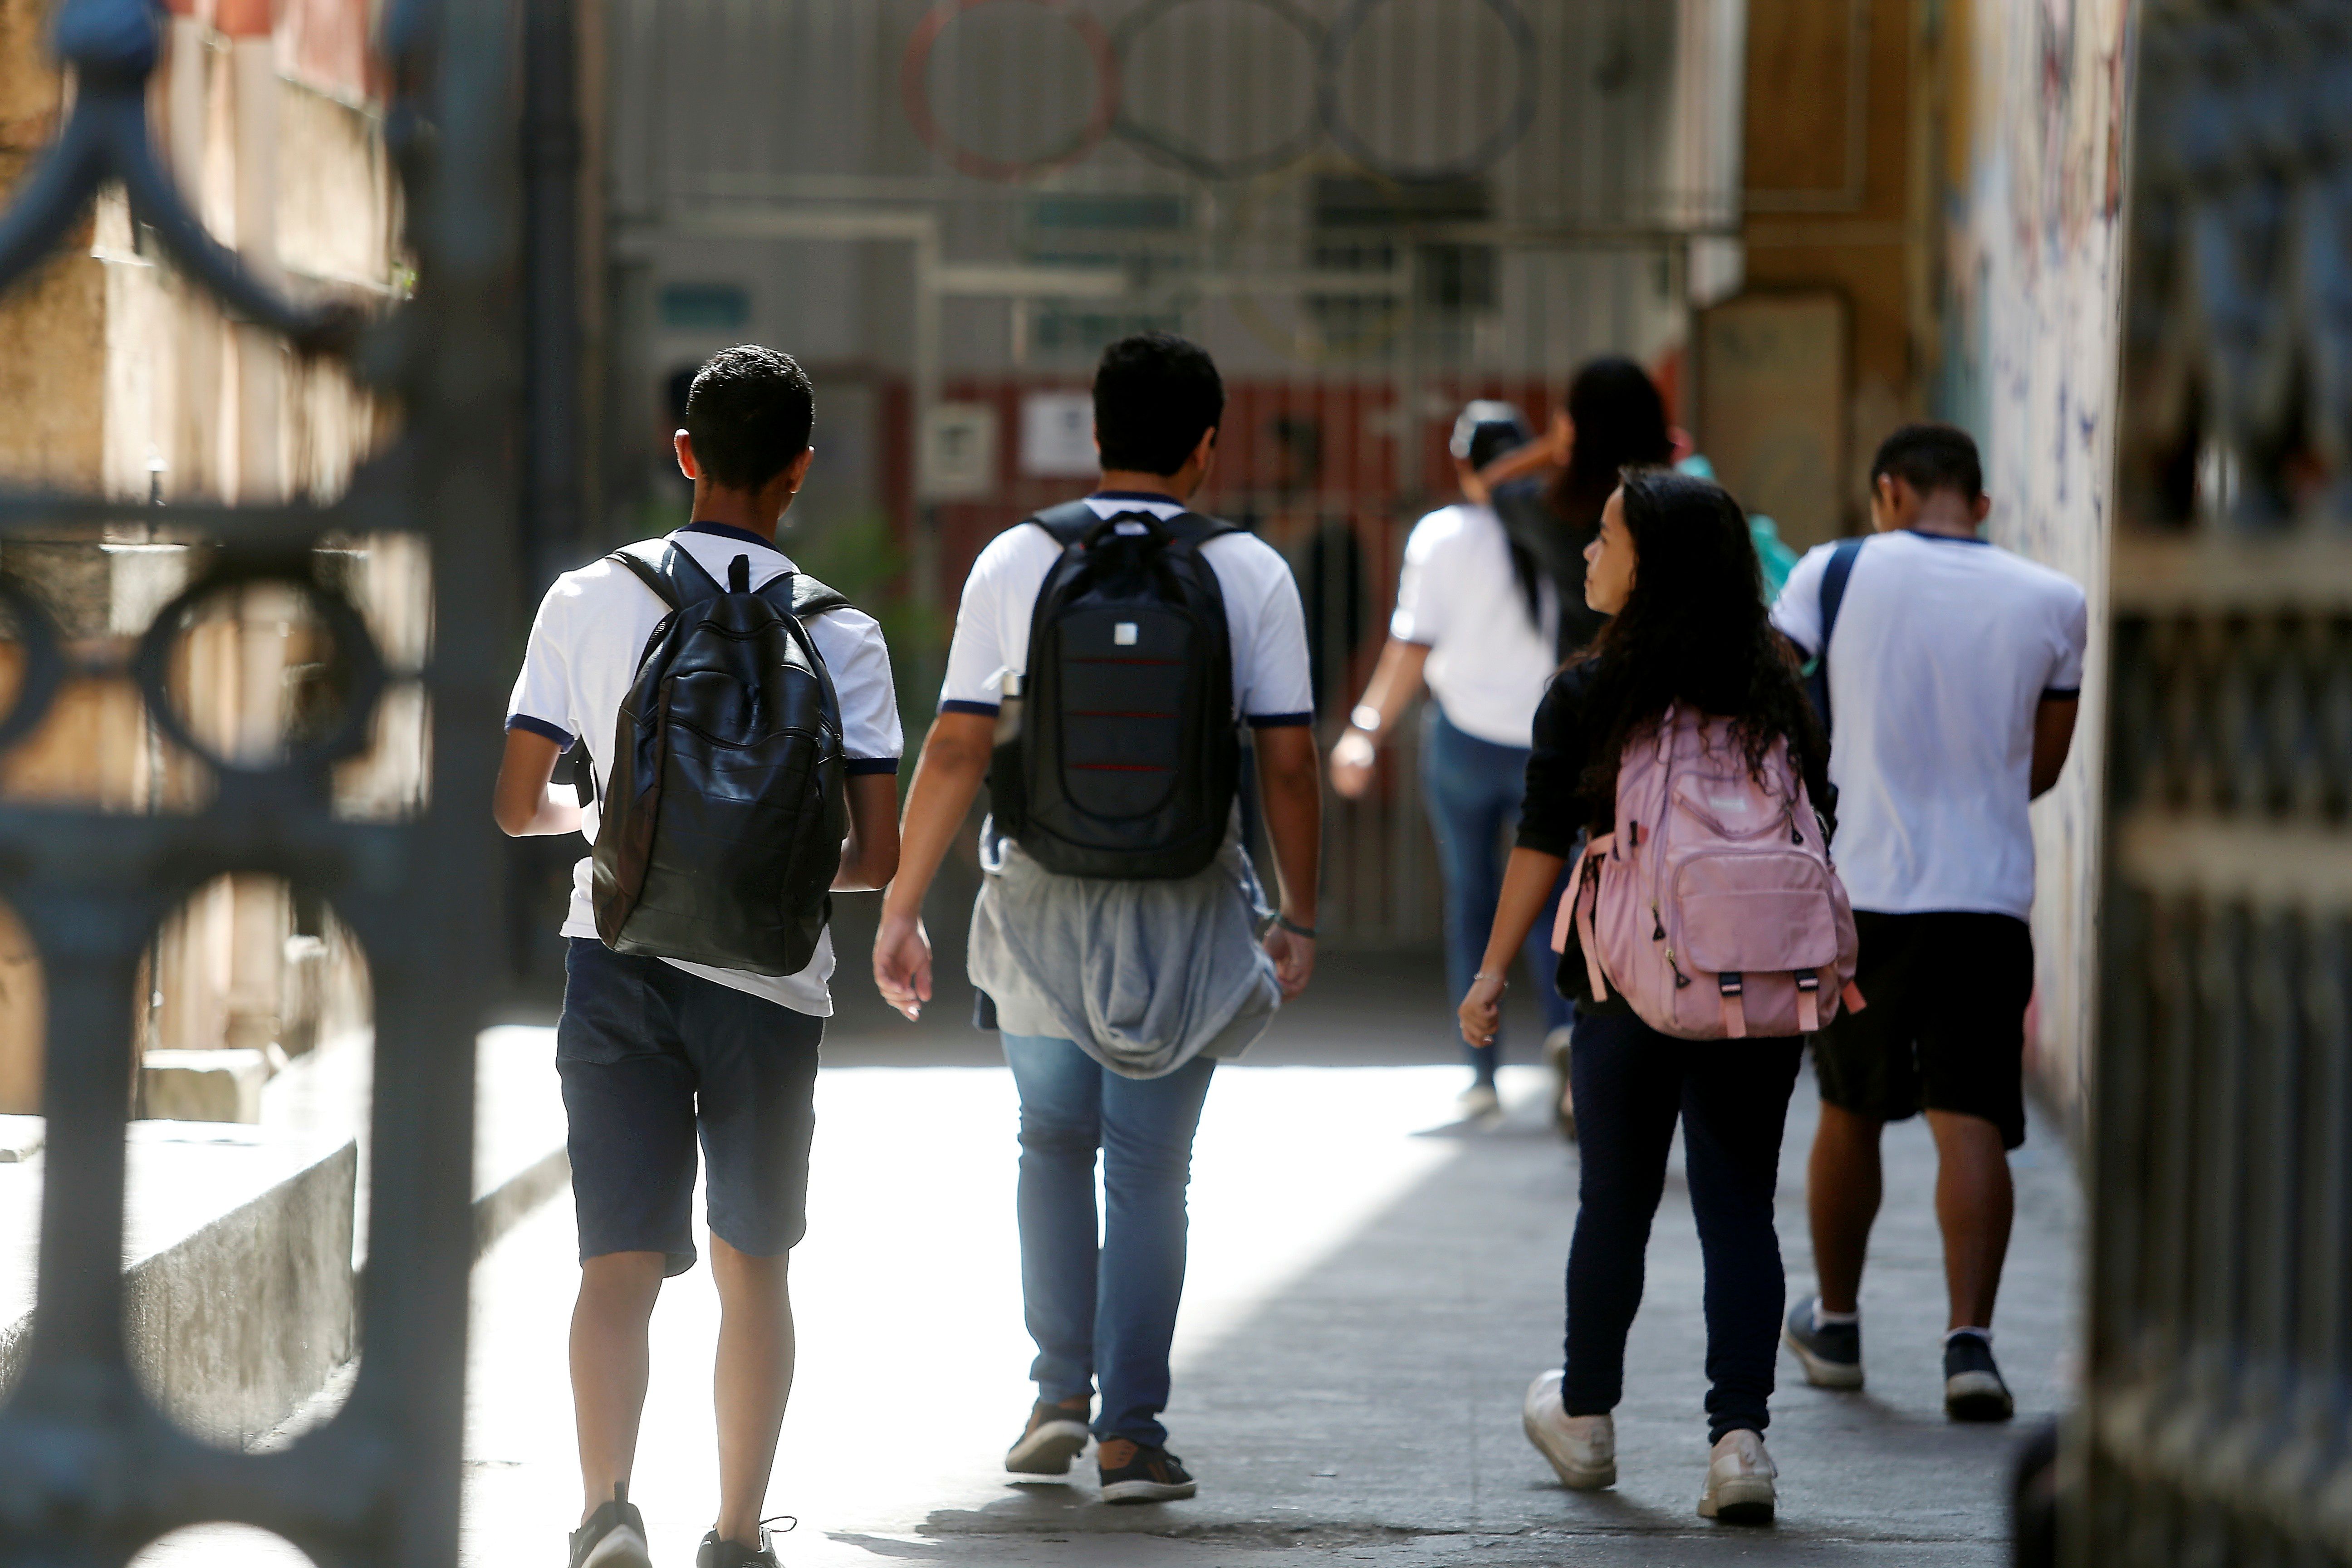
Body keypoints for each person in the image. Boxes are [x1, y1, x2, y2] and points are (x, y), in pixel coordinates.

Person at [873, 332, 1321, 1506]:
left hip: (1038, 905)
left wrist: (904, 906)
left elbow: (962, 741)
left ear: (1095, 432)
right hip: (1183, 906)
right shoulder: (1252, 573)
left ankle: (1055, 1395)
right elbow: (1286, 767)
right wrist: (1303, 913)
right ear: (1208, 447)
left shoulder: (1017, 559)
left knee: (1048, 1143)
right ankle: (1132, 1435)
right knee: (1150, 1174)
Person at [494, 346, 905, 1568]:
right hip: (773, 985)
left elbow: (519, 806)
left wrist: (613, 827)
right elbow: (875, 857)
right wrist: (757, 869)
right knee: (753, 1268)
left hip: (614, 955)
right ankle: (733, 1536)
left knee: (616, 1258)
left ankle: (609, 1513)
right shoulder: (848, 635)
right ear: (801, 474)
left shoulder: (588, 597)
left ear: (684, 454)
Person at [1460, 469, 1830, 1524]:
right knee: (1739, 1210)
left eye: (1606, 539)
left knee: (1614, 1207)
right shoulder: (1774, 690)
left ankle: (1585, 1419)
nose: (1586, 553)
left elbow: (1540, 841)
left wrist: (1491, 976)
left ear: (1649, 563)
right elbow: (1821, 823)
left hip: (1627, 984)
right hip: (1759, 983)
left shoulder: (1591, 692)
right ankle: (1739, 1444)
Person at [1772, 423, 2084, 1423]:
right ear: (1980, 505)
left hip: (1863, 891)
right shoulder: (2054, 601)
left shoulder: (1833, 572)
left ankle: (1841, 1328)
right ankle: (1970, 1351)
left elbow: (1772, 704)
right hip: (1988, 897)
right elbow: (2040, 769)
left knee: (1850, 1109)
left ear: (1889, 492)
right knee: (1973, 1117)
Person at [1329, 402, 1573, 1126]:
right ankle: (1566, 1045)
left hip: (1464, 743)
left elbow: (1412, 646)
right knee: (1552, 908)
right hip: (1548, 743)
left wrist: (1365, 730)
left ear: (1464, 466)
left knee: (1472, 899)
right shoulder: (1559, 527)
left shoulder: (1440, 536)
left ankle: (1481, 1075)